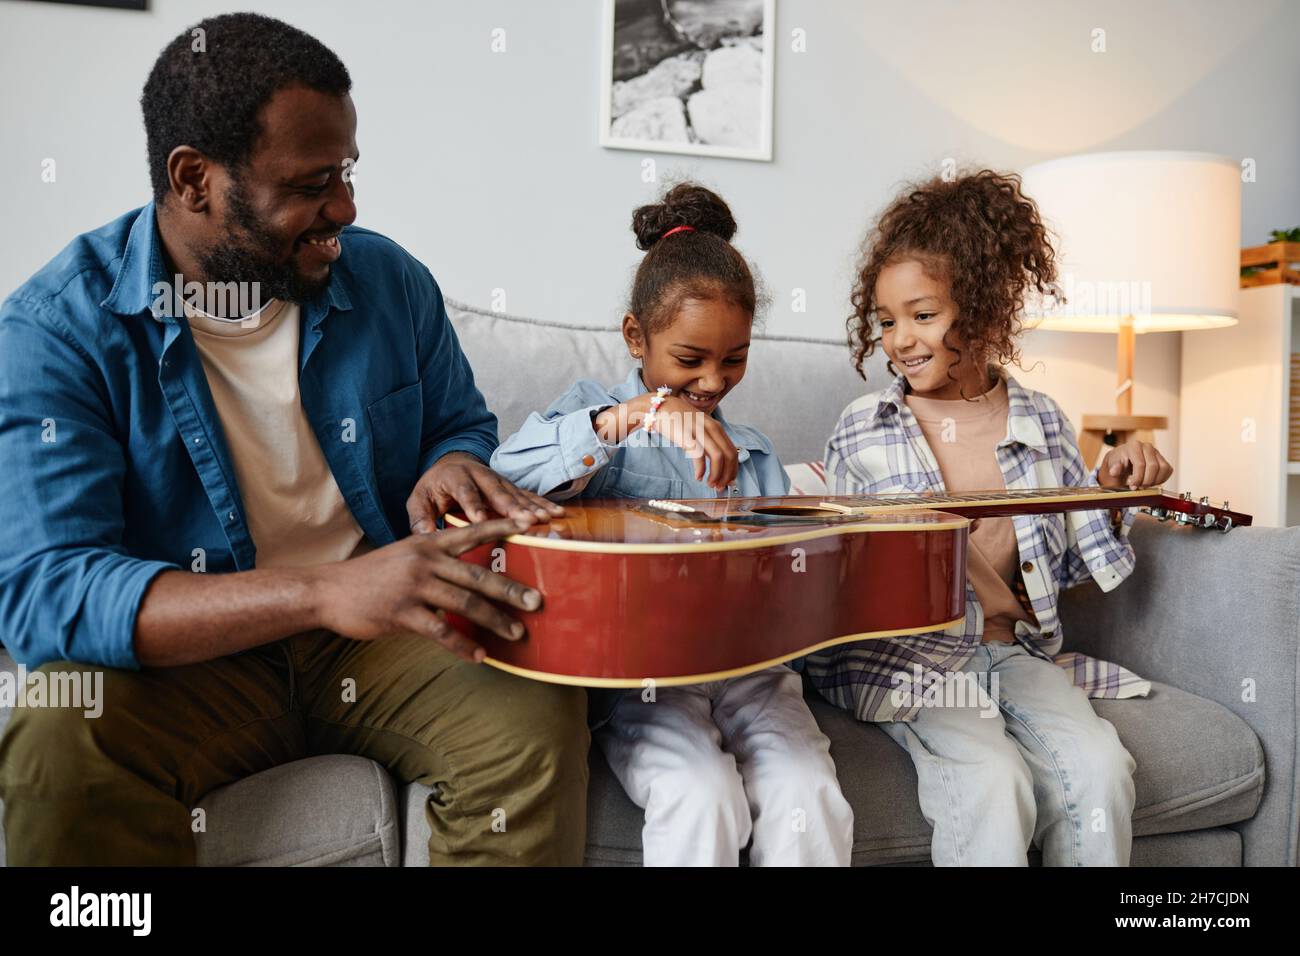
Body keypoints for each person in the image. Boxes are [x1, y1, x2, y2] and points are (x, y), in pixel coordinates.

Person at [0, 12, 588, 866]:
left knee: (533, 710)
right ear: (195, 178)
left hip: (382, 643)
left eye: (346, 174)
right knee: (60, 730)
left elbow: (459, 421)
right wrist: (321, 592)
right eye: (312, 184)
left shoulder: (387, 281)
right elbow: (48, 594)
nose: (343, 209)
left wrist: (449, 461)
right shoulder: (56, 331)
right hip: (190, 667)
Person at [805, 169, 1173, 866]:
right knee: (993, 779)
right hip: (909, 659)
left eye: (923, 315)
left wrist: (1113, 492)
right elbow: (836, 574)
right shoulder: (863, 427)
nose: (900, 340)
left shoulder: (1042, 419)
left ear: (980, 311)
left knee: (1100, 769)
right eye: (886, 321)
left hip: (1011, 649)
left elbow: (1063, 566)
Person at [492, 183, 855, 866]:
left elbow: (787, 584)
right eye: (691, 360)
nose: (714, 382)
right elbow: (506, 476)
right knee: (699, 792)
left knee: (807, 790)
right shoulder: (595, 414)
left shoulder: (753, 452)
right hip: (645, 675)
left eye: (735, 358)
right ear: (636, 336)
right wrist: (641, 414)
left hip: (750, 669)